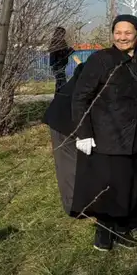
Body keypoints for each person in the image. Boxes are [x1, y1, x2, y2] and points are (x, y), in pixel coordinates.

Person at [71, 15, 137, 251]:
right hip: (106, 134)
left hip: (135, 134)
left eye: (127, 32)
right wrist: (83, 132)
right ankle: (104, 230)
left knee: (130, 184)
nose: (122, 37)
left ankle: (123, 228)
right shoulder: (101, 59)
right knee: (106, 186)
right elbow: (80, 97)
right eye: (118, 32)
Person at [43, 61, 86, 216]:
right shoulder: (100, 68)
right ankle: (74, 207)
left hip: (74, 115)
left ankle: (84, 201)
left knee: (80, 162)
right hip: (63, 119)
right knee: (69, 164)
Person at [49, 26, 74, 92]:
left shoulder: (54, 41)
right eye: (63, 33)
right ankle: (63, 95)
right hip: (59, 64)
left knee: (59, 81)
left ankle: (58, 95)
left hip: (56, 64)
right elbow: (63, 55)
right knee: (62, 81)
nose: (64, 35)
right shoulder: (59, 42)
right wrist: (70, 50)